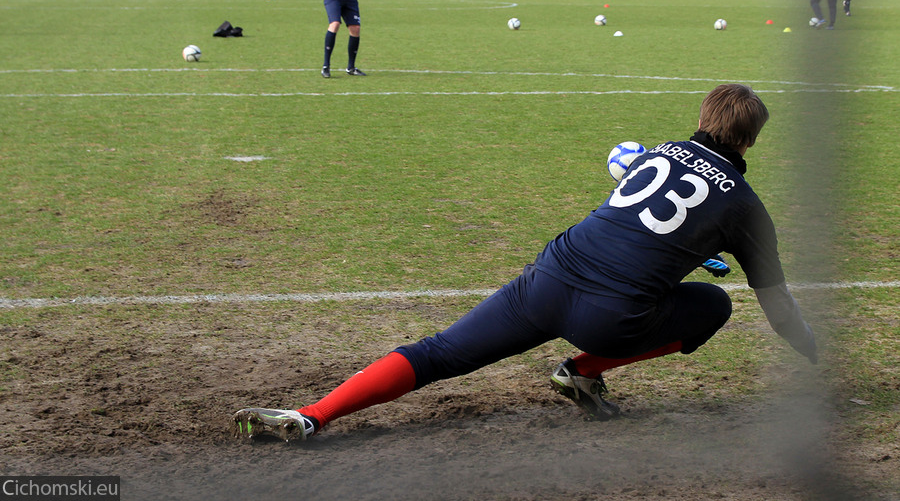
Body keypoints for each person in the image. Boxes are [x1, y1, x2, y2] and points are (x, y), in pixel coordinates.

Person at [232, 83, 818, 443]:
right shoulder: (746, 206)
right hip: (611, 318)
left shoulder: (656, 153)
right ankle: (583, 369)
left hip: (548, 278)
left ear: (702, 117)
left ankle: (313, 414)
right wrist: (814, 353)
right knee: (714, 305)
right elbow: (777, 301)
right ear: (749, 142)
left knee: (438, 353)